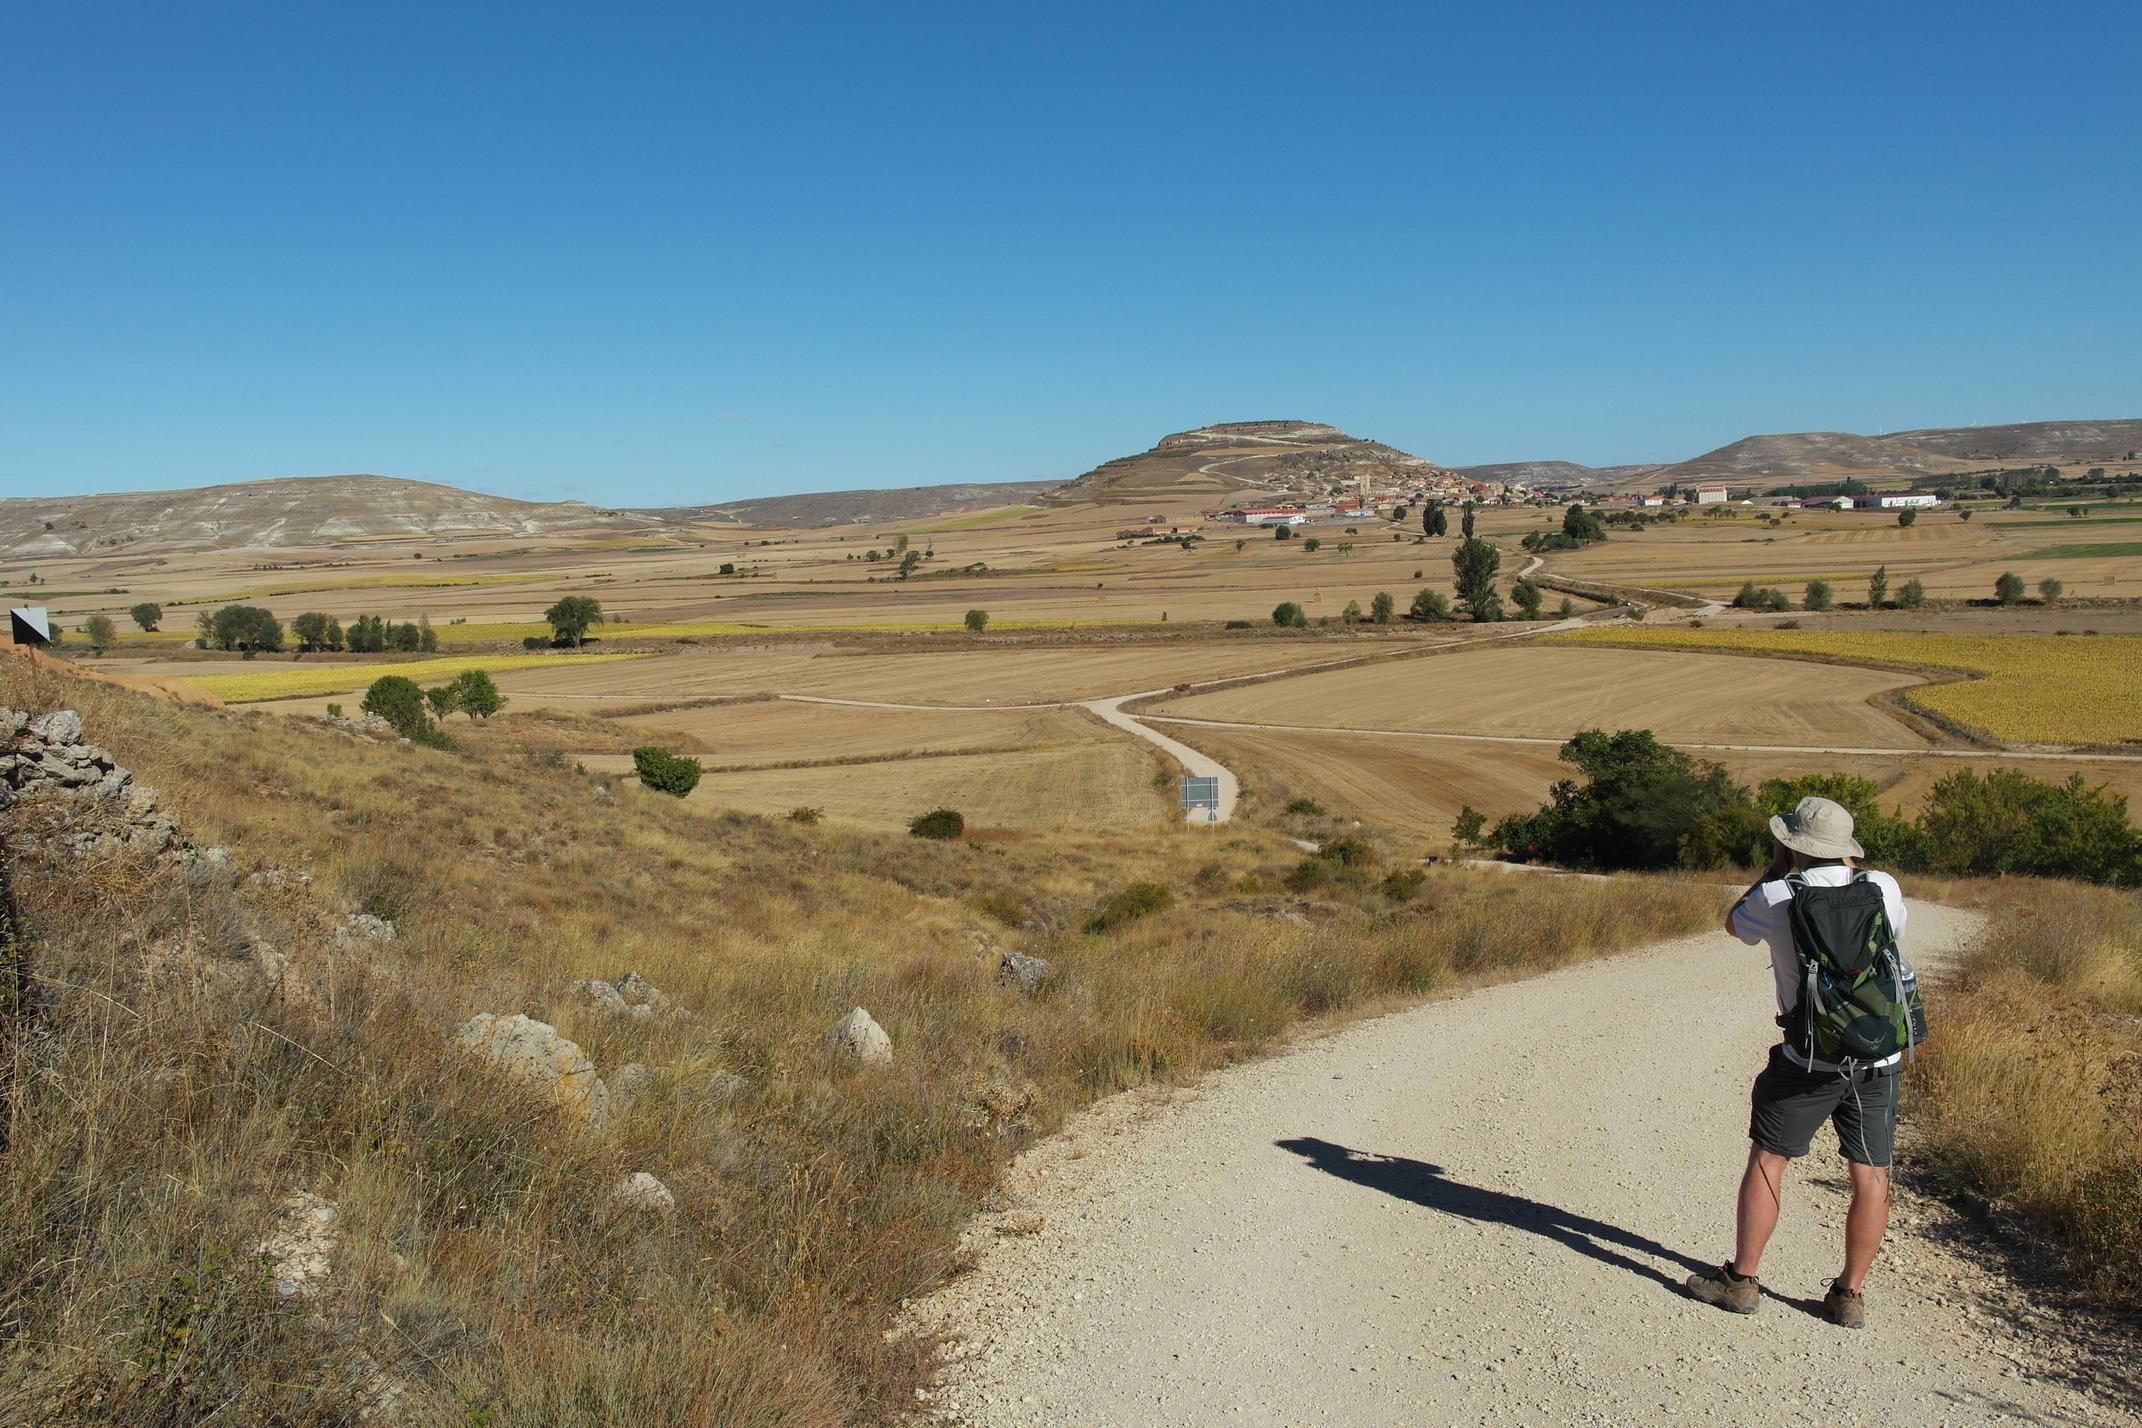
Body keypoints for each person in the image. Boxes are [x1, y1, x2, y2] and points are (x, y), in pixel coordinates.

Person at [1685, 795, 1908, 1330]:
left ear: (1791, 846)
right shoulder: (1883, 887)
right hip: (1879, 1055)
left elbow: (1732, 925)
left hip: (1809, 1058)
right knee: (1871, 1174)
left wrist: (1772, 870)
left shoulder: (1776, 894)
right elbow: (1891, 935)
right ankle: (1848, 1295)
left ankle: (1741, 1282)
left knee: (1769, 1160)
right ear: (1845, 848)